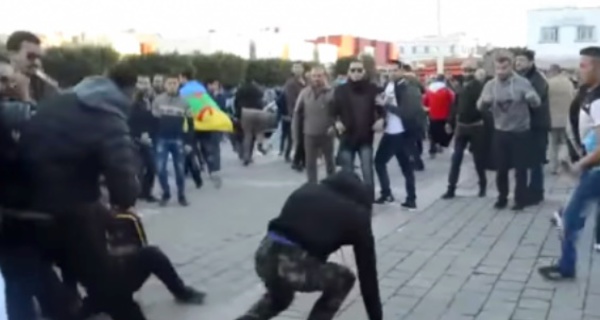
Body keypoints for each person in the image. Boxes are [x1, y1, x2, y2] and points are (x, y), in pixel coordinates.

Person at [20, 63, 143, 319]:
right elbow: (124, 187)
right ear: (130, 91)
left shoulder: (59, 100)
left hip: (28, 207)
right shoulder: (109, 116)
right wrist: (124, 196)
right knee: (110, 288)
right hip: (74, 210)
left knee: (47, 286)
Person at [236, 171, 381, 320]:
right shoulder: (358, 215)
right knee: (344, 279)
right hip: (292, 263)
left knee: (280, 297)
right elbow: (368, 276)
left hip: (264, 255)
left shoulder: (308, 189)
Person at [538, 46, 600, 280]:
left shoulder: (598, 100)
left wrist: (579, 165)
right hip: (591, 167)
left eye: (584, 65)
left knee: (569, 218)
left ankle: (566, 266)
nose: (579, 69)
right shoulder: (588, 93)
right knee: (572, 215)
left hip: (595, 170)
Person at [478, 52, 541, 210]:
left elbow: (537, 103)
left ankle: (520, 199)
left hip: (520, 132)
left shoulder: (522, 82)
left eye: (504, 68)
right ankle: (502, 197)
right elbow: (479, 106)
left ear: (511, 67)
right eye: (498, 68)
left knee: (521, 169)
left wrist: (532, 98)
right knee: (501, 168)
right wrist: (484, 103)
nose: (501, 71)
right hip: (501, 131)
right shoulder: (490, 85)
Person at [374, 61, 426, 209]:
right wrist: (382, 117)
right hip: (390, 131)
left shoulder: (408, 88)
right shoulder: (388, 86)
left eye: (395, 70)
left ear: (402, 70)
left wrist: (386, 105)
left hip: (402, 133)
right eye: (388, 70)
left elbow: (406, 113)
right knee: (380, 162)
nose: (391, 73)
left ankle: (410, 198)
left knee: (405, 167)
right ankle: (389, 194)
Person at [332, 60, 384, 200]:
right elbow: (333, 111)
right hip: (347, 137)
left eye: (359, 70)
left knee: (367, 171)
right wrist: (336, 122)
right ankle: (350, 201)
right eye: (353, 70)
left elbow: (382, 108)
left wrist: (381, 119)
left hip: (366, 137)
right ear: (348, 72)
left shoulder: (372, 89)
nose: (356, 73)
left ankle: (368, 201)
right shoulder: (340, 90)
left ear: (364, 72)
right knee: (348, 173)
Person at [441, 60, 487, 199]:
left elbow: (483, 107)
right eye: (465, 70)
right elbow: (455, 106)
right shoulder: (460, 85)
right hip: (462, 126)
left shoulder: (479, 86)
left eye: (470, 70)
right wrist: (449, 121)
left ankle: (482, 185)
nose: (467, 72)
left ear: (475, 71)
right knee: (456, 159)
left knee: (478, 159)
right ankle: (451, 188)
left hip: (476, 126)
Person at [514, 49, 550, 206]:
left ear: (531, 62)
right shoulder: (521, 78)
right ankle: (530, 190)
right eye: (517, 60)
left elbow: (535, 101)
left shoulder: (537, 79)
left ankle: (536, 192)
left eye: (521, 60)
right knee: (527, 159)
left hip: (536, 125)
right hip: (525, 125)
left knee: (536, 160)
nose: (518, 63)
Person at [152, 75, 194, 206]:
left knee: (180, 170)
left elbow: (191, 124)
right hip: (161, 139)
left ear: (178, 85)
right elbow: (153, 121)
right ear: (165, 85)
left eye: (174, 83)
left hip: (178, 139)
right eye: (169, 83)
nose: (172, 85)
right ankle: (166, 193)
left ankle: (181, 195)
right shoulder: (158, 101)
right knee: (160, 169)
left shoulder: (185, 102)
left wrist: (189, 142)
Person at [293, 66, 336, 184]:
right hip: (309, 133)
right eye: (314, 76)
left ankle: (332, 186)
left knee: (330, 162)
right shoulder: (304, 92)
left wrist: (335, 127)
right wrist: (295, 136)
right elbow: (297, 113)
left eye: (320, 76)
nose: (317, 78)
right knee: (310, 163)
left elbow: (339, 112)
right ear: (310, 77)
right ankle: (312, 187)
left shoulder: (332, 92)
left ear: (325, 77)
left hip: (327, 134)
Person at [6, 31, 58, 102]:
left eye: (39, 57)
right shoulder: (4, 85)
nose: (37, 62)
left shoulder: (40, 82)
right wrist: (25, 96)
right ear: (11, 55)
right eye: (31, 56)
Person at [130, 76, 158, 202]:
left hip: (150, 138)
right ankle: (134, 193)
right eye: (141, 83)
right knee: (137, 168)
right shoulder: (132, 101)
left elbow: (155, 119)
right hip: (134, 138)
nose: (144, 86)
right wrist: (139, 134)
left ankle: (146, 192)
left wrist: (151, 134)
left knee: (152, 167)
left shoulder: (153, 100)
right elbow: (130, 120)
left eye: (146, 83)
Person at [235, 79, 274, 166]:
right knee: (258, 131)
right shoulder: (257, 89)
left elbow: (236, 102)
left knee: (247, 134)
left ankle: (246, 156)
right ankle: (259, 146)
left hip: (246, 112)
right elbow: (263, 98)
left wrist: (238, 115)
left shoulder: (241, 89)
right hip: (258, 112)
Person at [546, 64, 576, 174]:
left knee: (553, 144)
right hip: (566, 117)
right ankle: (564, 161)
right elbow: (573, 97)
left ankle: (553, 167)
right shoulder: (568, 83)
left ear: (553, 71)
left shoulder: (548, 83)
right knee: (566, 142)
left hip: (552, 118)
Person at [423, 74, 454, 158]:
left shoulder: (429, 90)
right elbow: (453, 101)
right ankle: (440, 145)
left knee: (433, 132)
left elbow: (425, 102)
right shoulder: (447, 90)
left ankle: (432, 149)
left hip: (432, 114)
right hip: (444, 114)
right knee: (443, 131)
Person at [283, 63, 306, 164]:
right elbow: (290, 99)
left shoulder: (306, 81)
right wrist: (293, 112)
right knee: (296, 136)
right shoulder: (290, 83)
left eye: (300, 68)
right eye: (296, 68)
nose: (298, 70)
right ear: (292, 70)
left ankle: (298, 158)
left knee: (301, 136)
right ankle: (294, 158)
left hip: (306, 112)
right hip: (296, 112)